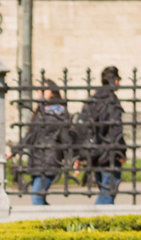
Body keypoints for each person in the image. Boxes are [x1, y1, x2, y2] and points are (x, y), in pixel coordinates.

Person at [74, 66, 126, 205]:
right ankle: (94, 216)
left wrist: (79, 153)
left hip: (94, 152)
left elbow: (81, 127)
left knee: (105, 191)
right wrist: (122, 152)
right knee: (107, 194)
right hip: (109, 152)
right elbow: (116, 129)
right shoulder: (112, 100)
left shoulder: (92, 99)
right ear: (115, 81)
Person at [20, 82, 72, 204]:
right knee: (39, 197)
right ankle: (52, 216)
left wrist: (72, 157)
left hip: (50, 158)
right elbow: (30, 135)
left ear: (53, 91)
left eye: (44, 89)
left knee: (36, 196)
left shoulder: (59, 111)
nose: (40, 91)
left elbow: (66, 137)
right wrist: (15, 150)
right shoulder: (40, 110)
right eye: (39, 89)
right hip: (36, 158)